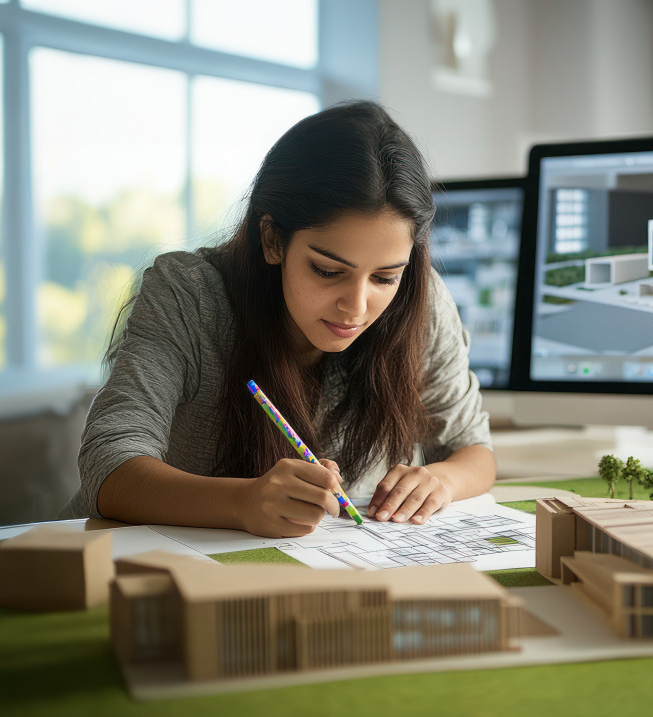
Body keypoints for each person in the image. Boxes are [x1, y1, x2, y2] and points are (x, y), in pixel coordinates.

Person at [60, 100, 494, 538]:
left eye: (384, 277)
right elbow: (110, 462)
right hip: (116, 563)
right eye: (328, 271)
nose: (357, 307)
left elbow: (474, 450)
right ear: (272, 240)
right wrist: (242, 501)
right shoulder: (189, 295)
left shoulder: (422, 300)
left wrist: (443, 480)